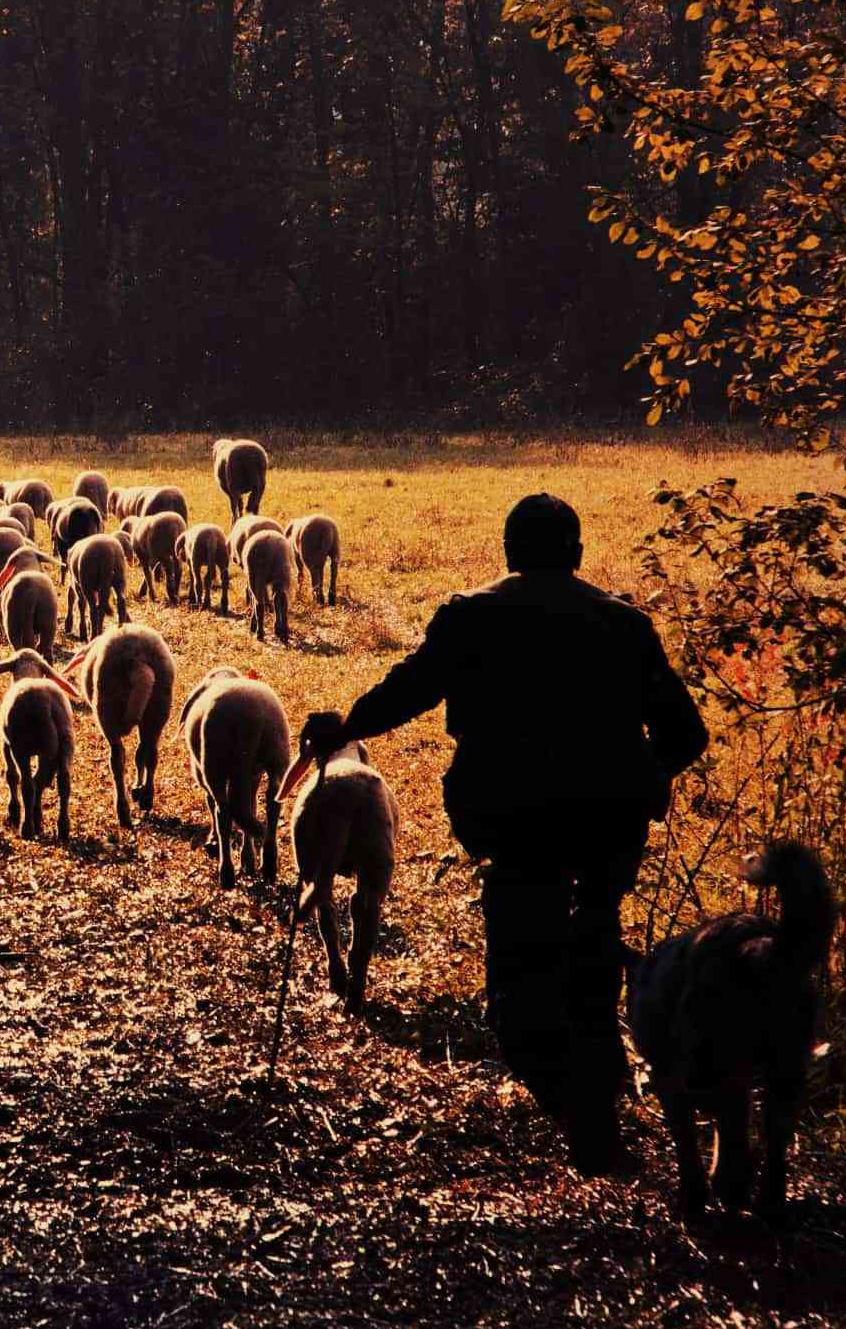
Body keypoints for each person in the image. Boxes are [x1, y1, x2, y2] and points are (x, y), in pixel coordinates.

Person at [295, 493, 707, 1174]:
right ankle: (598, 1104)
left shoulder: (472, 616)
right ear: (576, 554)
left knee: (519, 987)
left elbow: (409, 690)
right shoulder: (626, 625)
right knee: (594, 956)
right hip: (606, 829)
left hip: (516, 828)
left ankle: (580, 1111)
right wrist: (644, 775)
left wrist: (345, 729)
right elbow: (686, 734)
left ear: (508, 551)